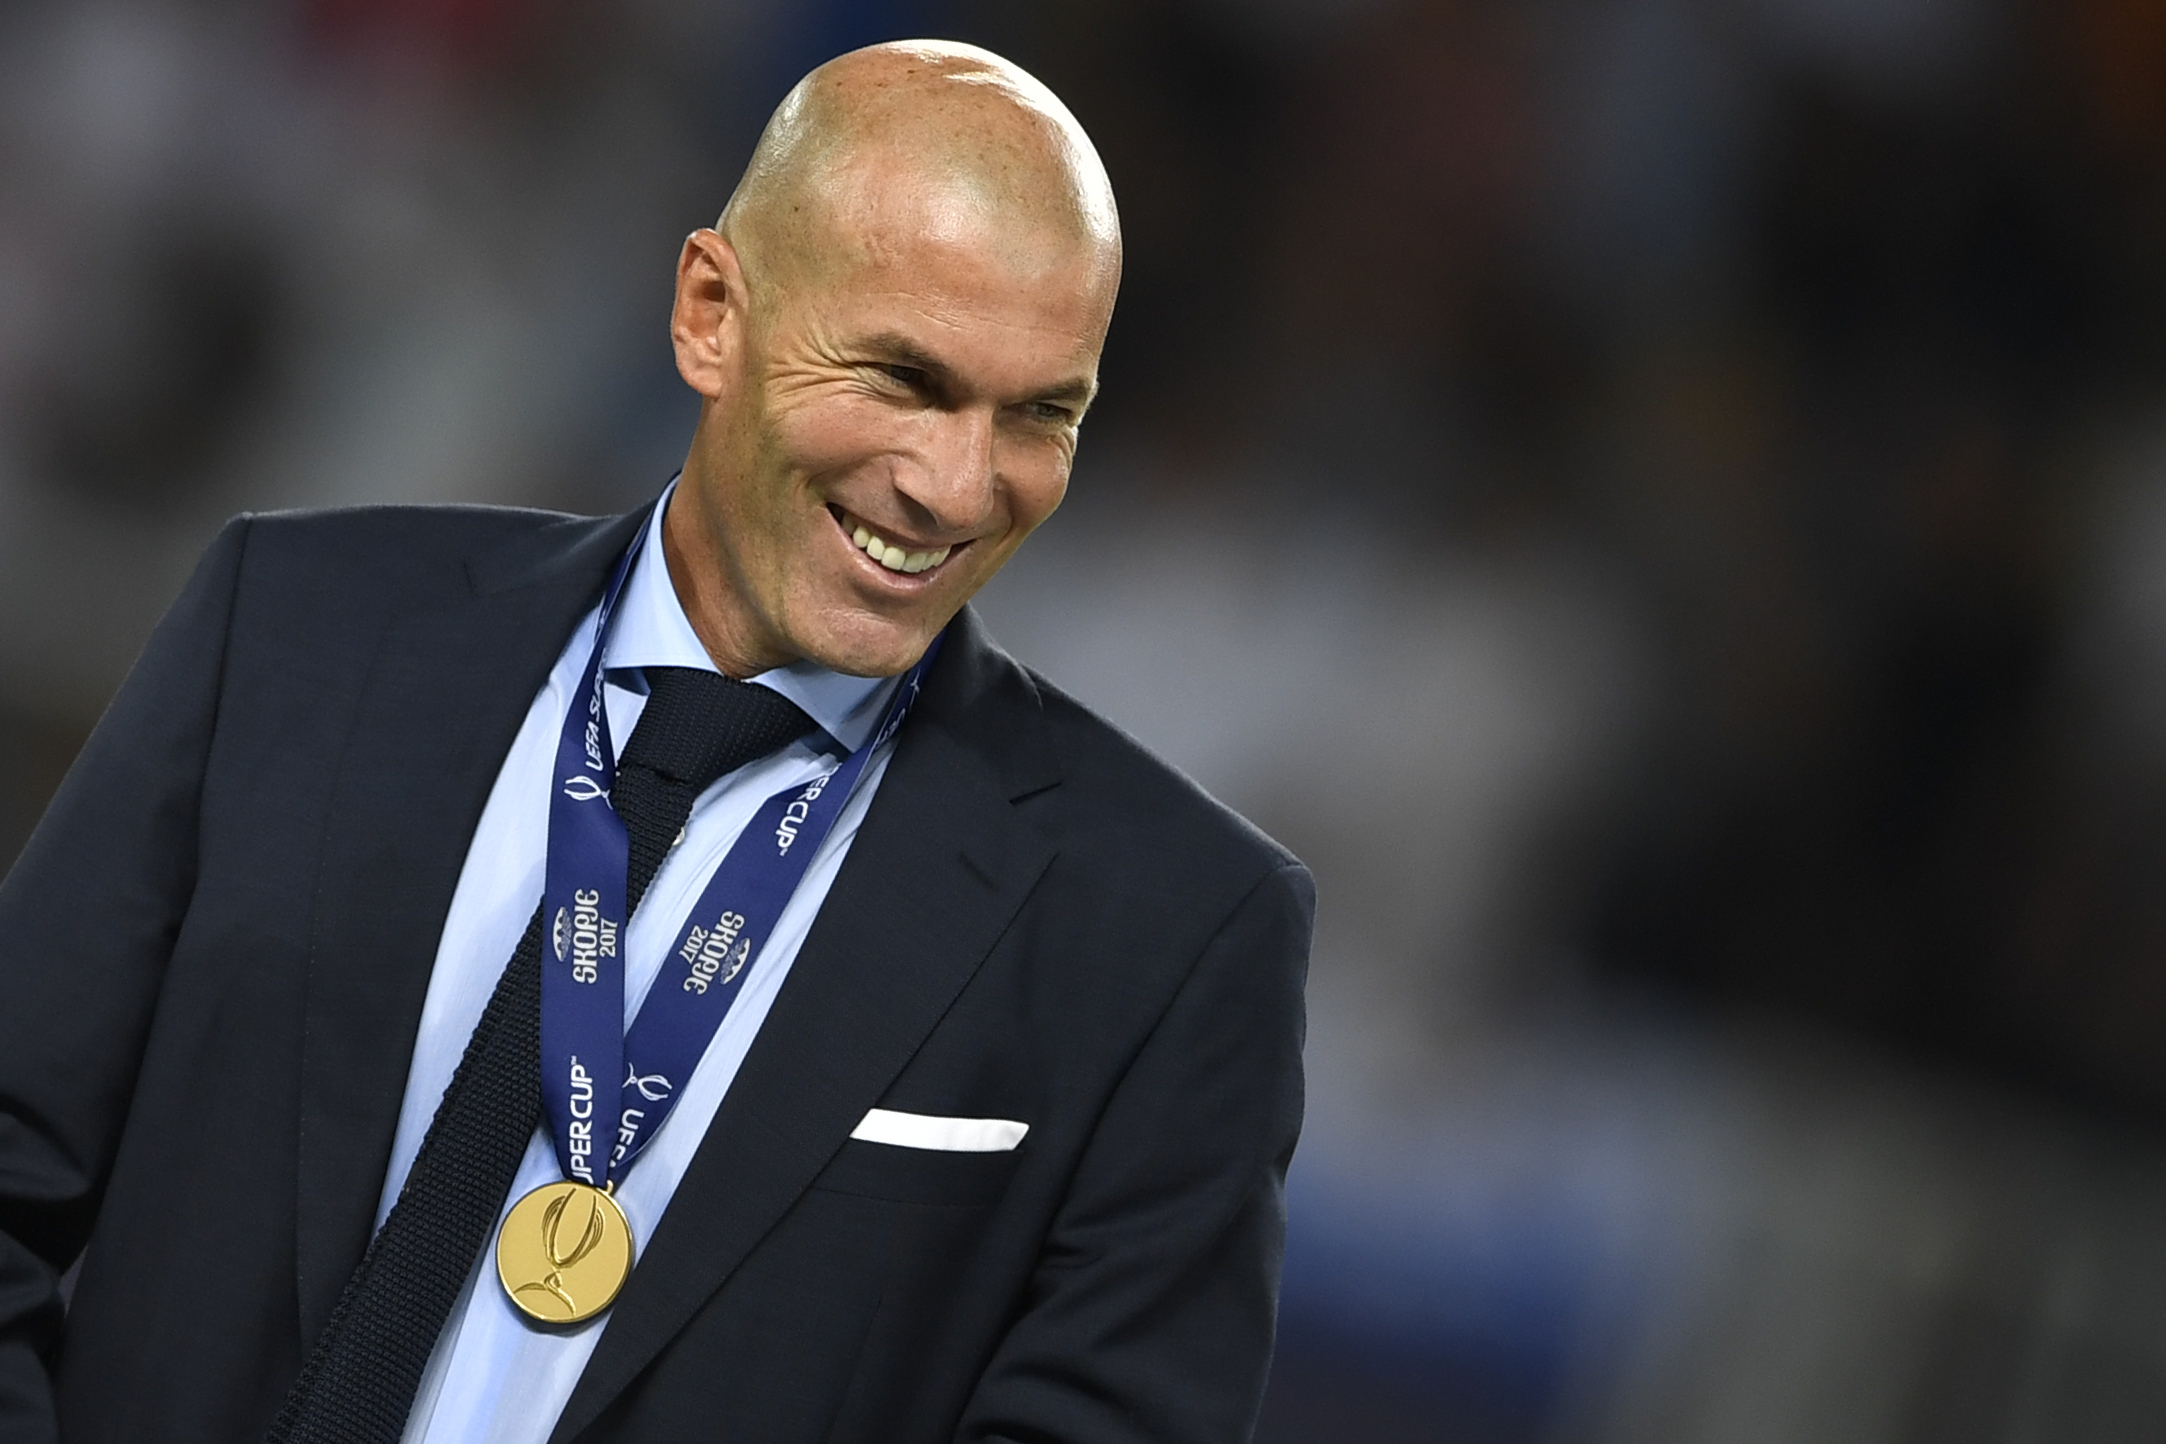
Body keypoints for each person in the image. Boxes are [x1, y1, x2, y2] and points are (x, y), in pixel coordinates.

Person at [0, 39, 1311, 1444]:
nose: (954, 484)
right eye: (902, 379)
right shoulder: (295, 635)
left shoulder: (1170, 934)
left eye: (1039, 413)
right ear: (710, 317)